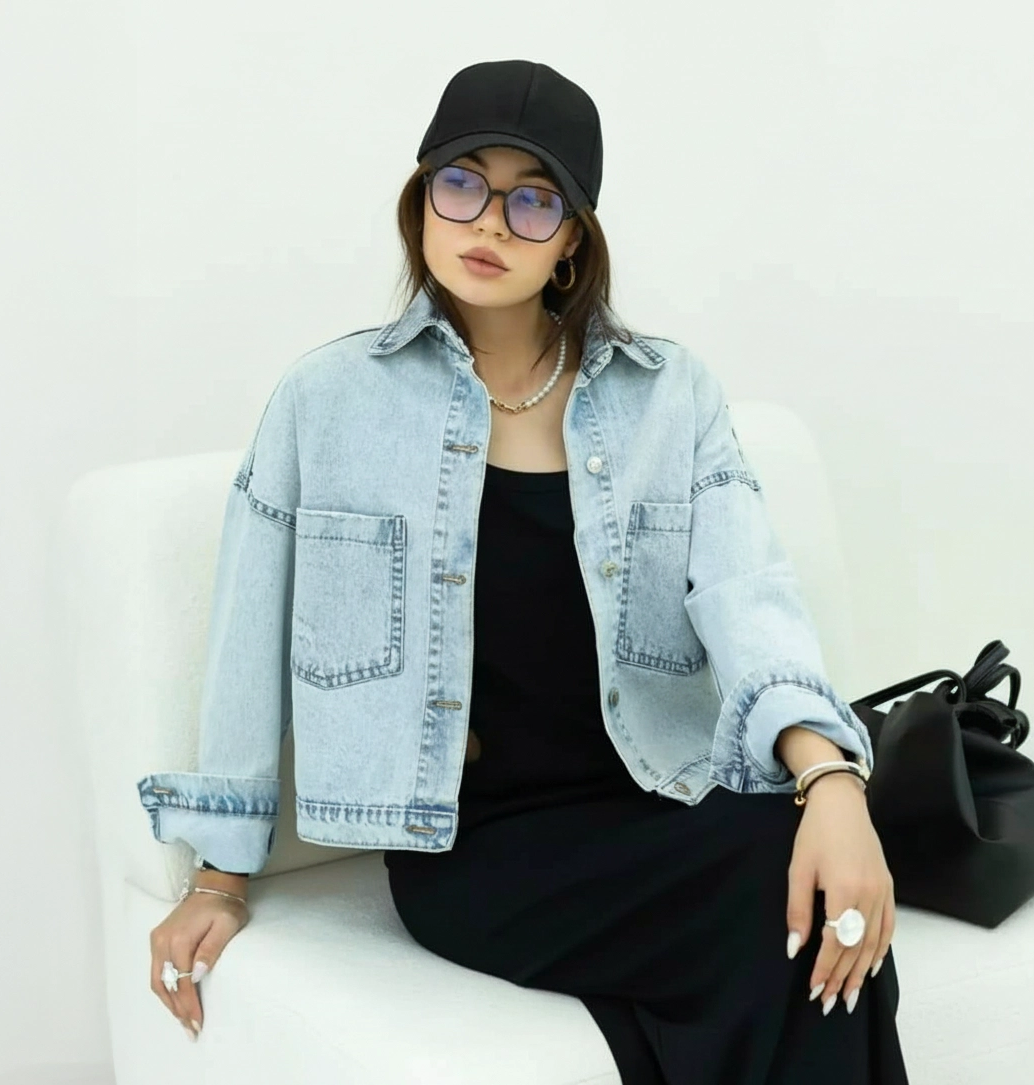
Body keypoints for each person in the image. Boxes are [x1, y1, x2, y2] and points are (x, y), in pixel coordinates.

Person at [139, 59, 910, 1083]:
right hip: (473, 845)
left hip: (658, 793)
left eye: (532, 200)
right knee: (772, 901)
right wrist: (218, 877)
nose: (490, 223)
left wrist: (832, 781)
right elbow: (247, 636)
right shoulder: (327, 401)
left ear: (573, 238)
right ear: (422, 201)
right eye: (462, 183)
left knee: (806, 892)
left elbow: (746, 591)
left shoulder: (669, 396)